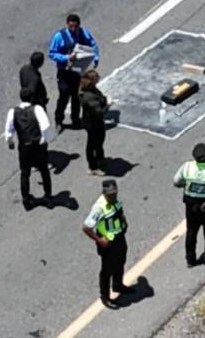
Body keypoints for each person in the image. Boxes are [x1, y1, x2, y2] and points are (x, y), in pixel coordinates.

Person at [82, 179, 129, 309]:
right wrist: (99, 240)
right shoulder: (99, 207)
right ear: (104, 193)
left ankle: (118, 285)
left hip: (118, 236)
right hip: (107, 243)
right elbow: (86, 227)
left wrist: (124, 222)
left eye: (114, 193)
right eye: (110, 194)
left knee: (121, 260)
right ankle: (105, 296)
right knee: (107, 269)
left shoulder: (115, 201)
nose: (113, 196)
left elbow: (119, 213)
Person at [48, 14, 100, 131]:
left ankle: (75, 119)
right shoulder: (59, 36)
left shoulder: (83, 33)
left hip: (77, 71)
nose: (73, 29)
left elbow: (93, 45)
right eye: (71, 26)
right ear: (67, 24)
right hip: (64, 71)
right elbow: (52, 53)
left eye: (75, 27)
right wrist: (66, 58)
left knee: (76, 97)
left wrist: (96, 57)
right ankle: (58, 120)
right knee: (63, 96)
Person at [4, 89, 54, 208]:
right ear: (32, 98)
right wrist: (44, 140)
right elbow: (46, 126)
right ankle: (48, 197)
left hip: (24, 147)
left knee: (25, 173)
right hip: (38, 146)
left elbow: (8, 130)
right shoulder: (37, 109)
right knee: (44, 171)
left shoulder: (12, 112)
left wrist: (10, 142)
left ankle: (26, 199)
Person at [80, 69, 110, 176]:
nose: (98, 80)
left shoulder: (91, 89)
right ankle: (93, 167)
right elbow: (99, 112)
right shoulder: (89, 96)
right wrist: (107, 107)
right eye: (96, 79)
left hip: (94, 121)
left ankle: (100, 158)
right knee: (92, 143)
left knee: (99, 140)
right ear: (91, 81)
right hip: (92, 123)